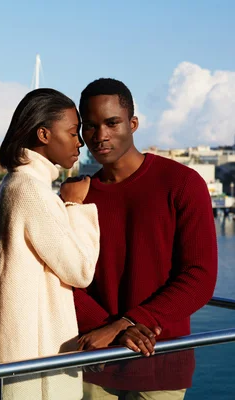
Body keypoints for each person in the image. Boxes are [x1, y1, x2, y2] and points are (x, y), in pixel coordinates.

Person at [73, 78, 218, 399]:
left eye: (112, 123)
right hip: (95, 360)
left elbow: (200, 277)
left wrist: (127, 322)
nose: (101, 136)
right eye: (90, 126)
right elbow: (64, 280)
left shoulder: (182, 183)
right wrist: (109, 328)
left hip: (159, 362)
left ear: (133, 123)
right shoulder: (77, 196)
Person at [0, 88, 101, 400]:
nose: (80, 142)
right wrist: (74, 206)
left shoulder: (16, 182)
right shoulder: (32, 191)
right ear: (44, 134)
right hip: (34, 349)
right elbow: (80, 270)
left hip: (20, 341)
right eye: (73, 132)